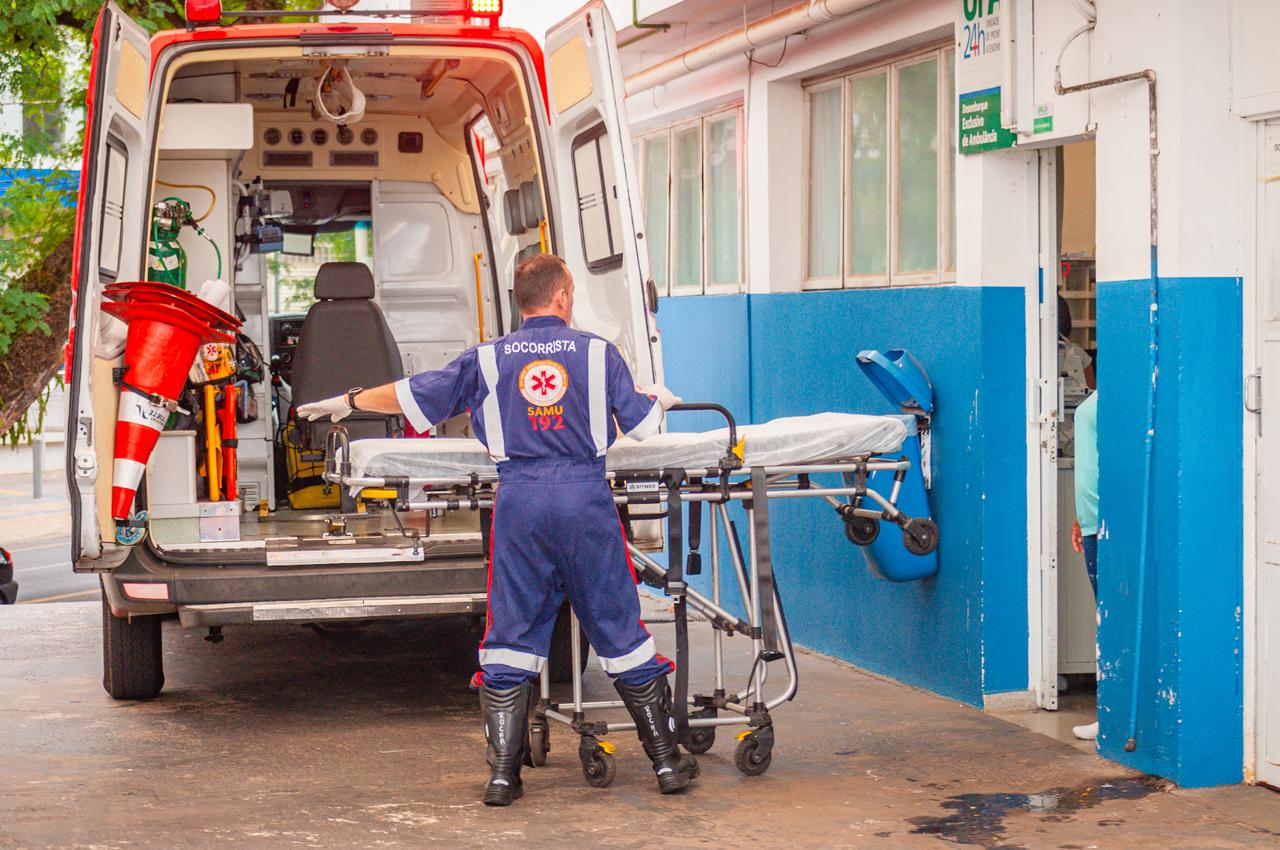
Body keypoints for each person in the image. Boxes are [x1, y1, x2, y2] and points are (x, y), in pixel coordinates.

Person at [298, 254, 697, 805]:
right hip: (584, 501)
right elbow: (645, 426)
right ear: (563, 296)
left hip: (521, 504)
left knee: (511, 633)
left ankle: (504, 777)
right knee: (618, 627)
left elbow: (415, 393)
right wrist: (658, 398)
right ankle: (666, 762)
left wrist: (349, 401)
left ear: (519, 300)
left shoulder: (487, 358)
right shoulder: (598, 353)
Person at [1070, 383, 1099, 741]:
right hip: (1092, 522)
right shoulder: (1100, 394)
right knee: (1103, 616)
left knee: (1109, 618)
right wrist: (1081, 516)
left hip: (1107, 524)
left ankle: (1110, 712)